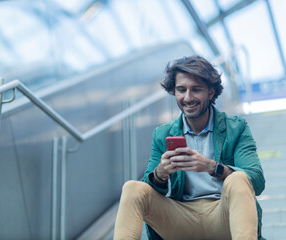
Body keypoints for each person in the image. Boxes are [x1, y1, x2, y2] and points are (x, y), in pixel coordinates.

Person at [113, 55, 265, 240]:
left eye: (196, 90)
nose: (188, 97)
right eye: (181, 90)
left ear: (210, 92)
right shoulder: (163, 134)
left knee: (239, 178)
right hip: (181, 219)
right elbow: (149, 189)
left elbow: (256, 181)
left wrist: (212, 167)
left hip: (223, 215)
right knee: (133, 188)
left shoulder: (236, 128)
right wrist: (161, 174)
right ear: (174, 92)